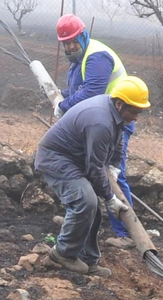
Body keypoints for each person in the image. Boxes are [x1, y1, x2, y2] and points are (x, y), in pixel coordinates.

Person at [34, 76, 152, 275]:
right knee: (85, 201)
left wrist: (115, 166)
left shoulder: (115, 111)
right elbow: (95, 168)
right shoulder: (100, 121)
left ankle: (88, 260)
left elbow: (119, 139)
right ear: (120, 104)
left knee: (93, 206)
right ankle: (62, 254)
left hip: (75, 159)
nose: (136, 117)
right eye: (134, 111)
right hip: (57, 159)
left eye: (139, 112)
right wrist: (110, 198)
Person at [54, 14, 146, 247]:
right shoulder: (79, 59)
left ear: (84, 36)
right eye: (65, 43)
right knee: (84, 170)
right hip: (96, 120)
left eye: (73, 40)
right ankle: (76, 220)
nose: (70, 46)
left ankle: (126, 233)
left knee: (113, 173)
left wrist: (63, 106)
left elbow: (91, 92)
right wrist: (61, 96)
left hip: (117, 119)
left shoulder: (97, 57)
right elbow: (78, 89)